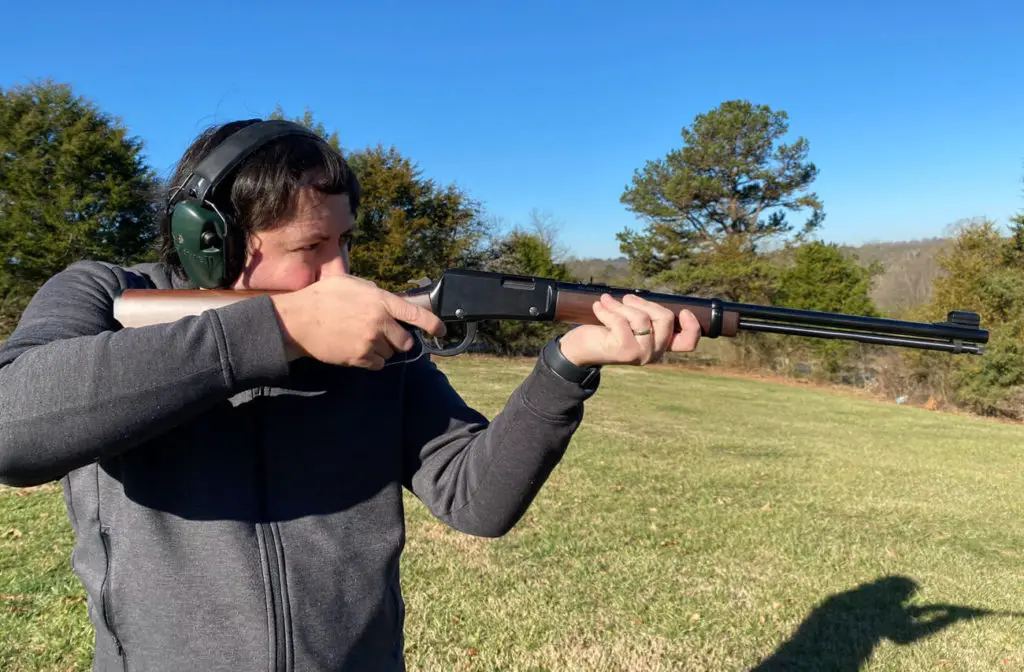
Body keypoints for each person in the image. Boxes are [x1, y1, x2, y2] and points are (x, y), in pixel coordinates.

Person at [0, 119, 702, 671]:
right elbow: (12, 427)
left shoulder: (372, 345)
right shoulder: (105, 294)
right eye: (312, 248)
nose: (341, 272)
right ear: (210, 242)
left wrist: (567, 365)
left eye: (346, 242)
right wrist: (278, 328)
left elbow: (475, 501)